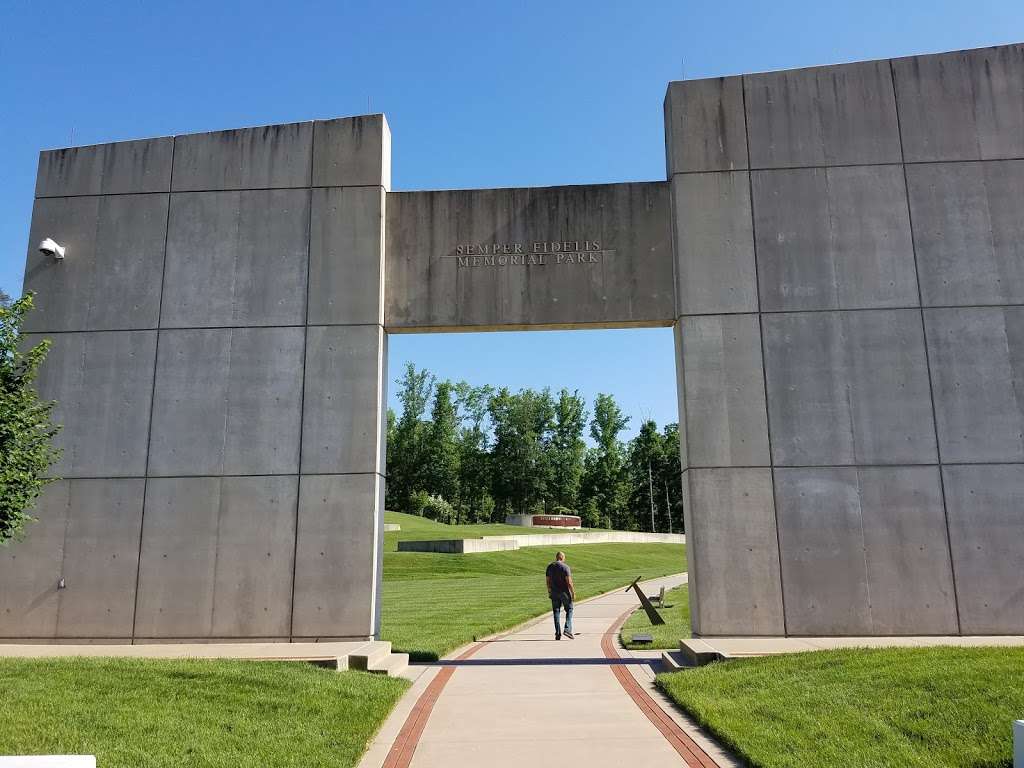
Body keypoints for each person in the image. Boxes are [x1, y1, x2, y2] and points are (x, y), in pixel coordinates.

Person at [545, 551, 575, 640]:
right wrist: (573, 592)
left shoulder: (550, 567)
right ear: (562, 558)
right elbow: (569, 582)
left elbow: (547, 580)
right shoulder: (565, 567)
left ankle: (558, 634)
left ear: (556, 557)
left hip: (554, 592)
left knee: (556, 612)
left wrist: (549, 590)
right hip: (564, 593)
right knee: (569, 609)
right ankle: (567, 629)